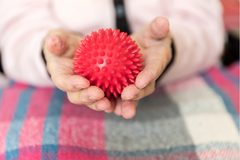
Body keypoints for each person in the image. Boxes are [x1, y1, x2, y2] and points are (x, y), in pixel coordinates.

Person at [0, 0, 224, 119]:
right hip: (49, 96)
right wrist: (46, 49)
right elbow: (13, 37)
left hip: (181, 86)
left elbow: (208, 29)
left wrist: (170, 47)